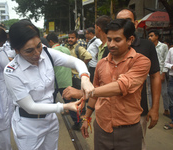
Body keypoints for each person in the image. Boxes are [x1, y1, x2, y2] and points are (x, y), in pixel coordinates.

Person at [4, 20, 94, 150]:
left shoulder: (46, 53)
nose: (37, 53)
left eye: (38, 46)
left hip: (50, 120)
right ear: (17, 50)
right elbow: (30, 107)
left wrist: (85, 78)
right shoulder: (12, 72)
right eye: (29, 50)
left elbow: (76, 62)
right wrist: (64, 106)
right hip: (29, 126)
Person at [81, 19, 151, 150]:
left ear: (130, 40)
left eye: (117, 40)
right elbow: (95, 93)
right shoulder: (101, 64)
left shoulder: (141, 61)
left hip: (129, 132)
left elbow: (121, 86)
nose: (111, 44)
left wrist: (85, 92)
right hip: (101, 129)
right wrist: (86, 119)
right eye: (109, 39)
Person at [115, 9, 161, 150]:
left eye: (128, 21)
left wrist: (155, 108)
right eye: (120, 21)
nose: (124, 25)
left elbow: (155, 76)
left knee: (137, 145)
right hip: (114, 109)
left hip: (138, 110)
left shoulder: (147, 46)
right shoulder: (111, 46)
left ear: (135, 23)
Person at [67, 30, 92, 130]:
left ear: (76, 39)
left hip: (77, 77)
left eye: (72, 38)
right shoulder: (67, 48)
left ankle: (82, 120)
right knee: (74, 98)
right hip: (70, 77)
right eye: (69, 37)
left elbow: (89, 56)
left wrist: (81, 66)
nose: (70, 39)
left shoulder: (79, 48)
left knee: (81, 98)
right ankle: (77, 119)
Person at [46, 32, 72, 111]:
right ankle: (77, 120)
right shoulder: (66, 49)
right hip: (67, 80)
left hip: (56, 82)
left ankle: (49, 117)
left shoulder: (50, 51)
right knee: (70, 102)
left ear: (50, 41)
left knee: (50, 102)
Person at [148, 29, 169, 116]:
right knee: (150, 91)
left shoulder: (163, 46)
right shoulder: (149, 46)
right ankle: (151, 108)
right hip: (149, 73)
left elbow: (166, 60)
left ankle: (166, 109)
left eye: (151, 36)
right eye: (149, 36)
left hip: (160, 72)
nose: (149, 37)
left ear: (157, 36)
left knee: (164, 92)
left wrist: (163, 73)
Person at [164, 47, 173, 129]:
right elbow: (166, 63)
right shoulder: (171, 50)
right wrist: (171, 66)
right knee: (171, 101)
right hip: (172, 78)